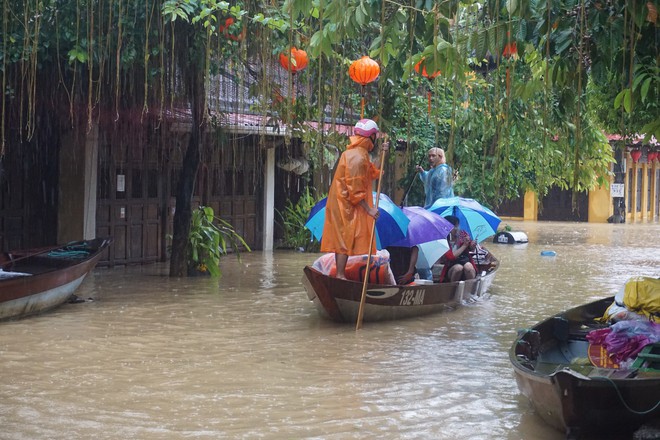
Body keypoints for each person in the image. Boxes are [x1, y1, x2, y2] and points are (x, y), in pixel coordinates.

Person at [320, 119, 389, 280]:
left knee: (347, 237)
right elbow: (355, 190)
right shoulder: (357, 157)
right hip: (344, 202)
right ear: (371, 137)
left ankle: (340, 274)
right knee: (344, 237)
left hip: (346, 202)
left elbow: (372, 172)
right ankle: (340, 275)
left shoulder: (359, 154)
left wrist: (382, 154)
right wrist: (369, 210)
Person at [438, 215, 476, 282]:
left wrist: (472, 245)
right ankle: (453, 290)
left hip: (465, 262)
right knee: (458, 268)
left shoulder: (463, 234)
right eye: (454, 226)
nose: (456, 228)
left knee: (468, 267)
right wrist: (464, 245)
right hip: (451, 267)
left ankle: (470, 289)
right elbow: (451, 257)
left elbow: (470, 248)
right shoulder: (443, 240)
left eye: (457, 226)